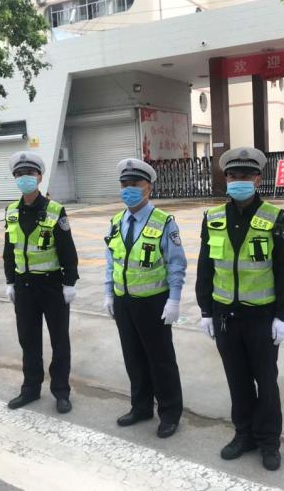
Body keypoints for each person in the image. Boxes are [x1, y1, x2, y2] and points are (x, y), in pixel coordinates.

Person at [195, 147, 284, 472]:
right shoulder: (212, 218)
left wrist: (283, 315)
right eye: (233, 175)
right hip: (226, 317)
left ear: (257, 179)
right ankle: (244, 434)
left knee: (266, 382)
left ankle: (268, 441)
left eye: (245, 175)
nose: (238, 180)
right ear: (226, 179)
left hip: (261, 318)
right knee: (237, 380)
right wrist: (206, 310)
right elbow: (205, 268)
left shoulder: (276, 218)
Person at [103, 158, 186, 439]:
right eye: (124, 184)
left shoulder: (164, 222)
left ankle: (170, 413)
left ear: (148, 188)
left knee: (160, 360)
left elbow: (176, 264)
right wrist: (108, 293)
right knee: (133, 357)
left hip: (153, 302)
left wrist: (174, 300)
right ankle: (140, 407)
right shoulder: (116, 222)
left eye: (135, 184)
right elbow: (111, 262)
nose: (128, 189)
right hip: (124, 301)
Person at [3, 152, 79, 414]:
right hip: (24, 287)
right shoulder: (11, 211)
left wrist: (70, 282)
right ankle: (30, 389)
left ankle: (61, 391)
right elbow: (9, 250)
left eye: (29, 174)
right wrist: (10, 281)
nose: (24, 178)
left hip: (52, 286)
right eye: (19, 174)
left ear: (39, 177)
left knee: (59, 341)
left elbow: (67, 249)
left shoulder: (55, 210)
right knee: (28, 340)